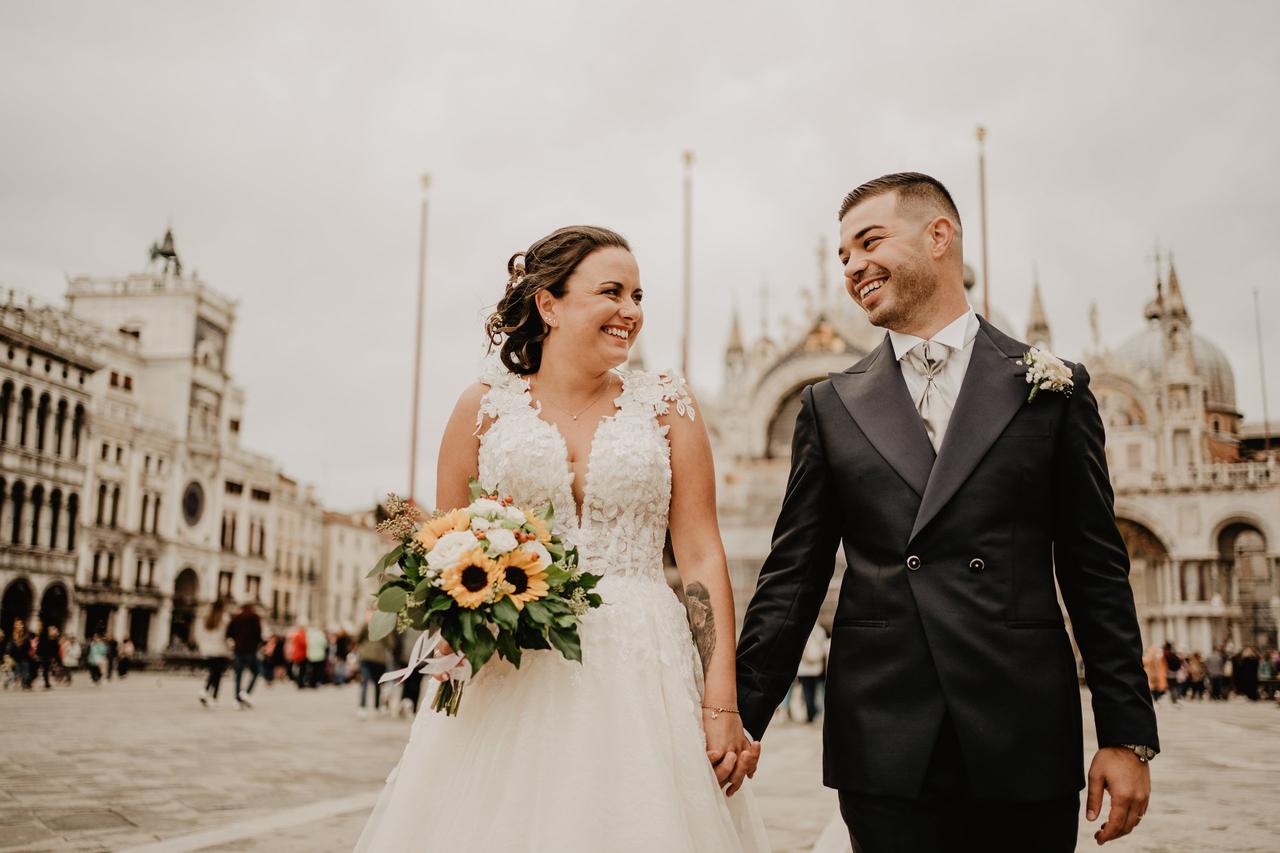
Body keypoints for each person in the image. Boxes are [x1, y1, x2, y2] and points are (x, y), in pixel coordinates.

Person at [735, 173, 1157, 853]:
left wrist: (1126, 731)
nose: (852, 267)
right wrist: (740, 714)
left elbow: (1095, 569)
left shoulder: (1052, 387)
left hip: (1021, 727)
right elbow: (792, 577)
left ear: (939, 236)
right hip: (886, 736)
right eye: (842, 255)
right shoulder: (830, 406)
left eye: (869, 241)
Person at [355, 225, 769, 851]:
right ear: (548, 305)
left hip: (643, 662)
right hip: (514, 661)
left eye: (638, 295)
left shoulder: (668, 405)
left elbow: (702, 554)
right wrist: (465, 627)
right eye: (612, 292)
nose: (631, 312)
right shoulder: (482, 407)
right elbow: (446, 543)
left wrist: (721, 700)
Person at [355, 613, 393, 720]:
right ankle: (376, 707)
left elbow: (358, 638)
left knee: (364, 682)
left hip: (366, 656)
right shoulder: (385, 626)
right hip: (379, 658)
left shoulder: (366, 623)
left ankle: (362, 707)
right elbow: (390, 644)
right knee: (378, 683)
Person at [226, 602, 263, 708]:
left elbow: (229, 633)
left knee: (238, 675)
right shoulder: (255, 617)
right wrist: (258, 645)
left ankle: (237, 699)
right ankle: (246, 693)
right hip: (250, 650)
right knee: (256, 671)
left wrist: (236, 642)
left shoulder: (236, 618)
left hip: (238, 650)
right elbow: (258, 634)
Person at [196, 600, 232, 707]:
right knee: (218, 674)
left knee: (212, 672)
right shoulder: (224, 618)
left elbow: (201, 634)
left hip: (208, 650)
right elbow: (227, 636)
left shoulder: (207, 618)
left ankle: (205, 690)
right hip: (221, 650)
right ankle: (213, 697)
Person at [797, 624, 829, 723]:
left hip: (804, 669)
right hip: (816, 669)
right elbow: (824, 648)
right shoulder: (820, 631)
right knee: (815, 692)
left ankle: (810, 715)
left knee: (807, 693)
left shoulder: (803, 628)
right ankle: (814, 713)